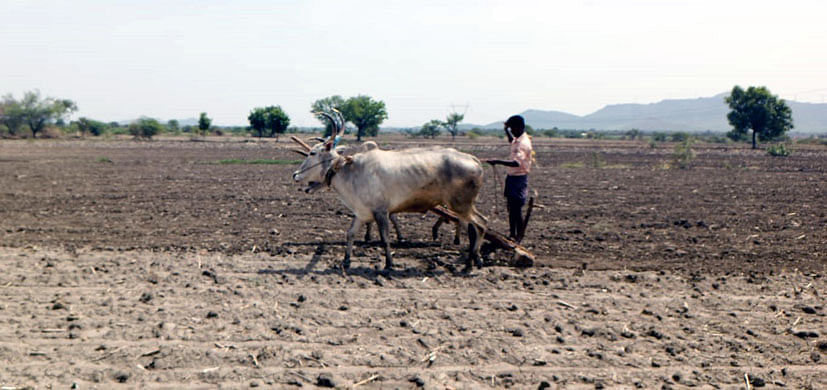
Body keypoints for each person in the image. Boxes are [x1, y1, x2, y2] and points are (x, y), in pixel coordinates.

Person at [485, 115, 533, 240]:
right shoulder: (518, 139)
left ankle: (518, 236)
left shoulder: (523, 144)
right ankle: (512, 234)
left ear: (520, 127)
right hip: (513, 177)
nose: (512, 131)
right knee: (511, 208)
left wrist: (497, 161)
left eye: (513, 129)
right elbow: (511, 141)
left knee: (516, 209)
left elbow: (516, 163)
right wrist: (506, 130)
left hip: (518, 179)